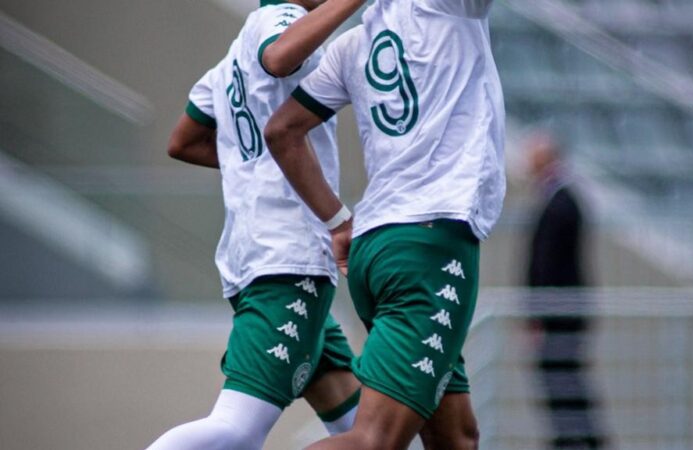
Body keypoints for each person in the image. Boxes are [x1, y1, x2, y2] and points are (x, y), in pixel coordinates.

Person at [264, 0, 506, 448]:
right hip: (430, 248)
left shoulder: (352, 44)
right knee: (372, 440)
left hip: (377, 249)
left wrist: (338, 222)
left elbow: (282, 131)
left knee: (458, 437)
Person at [146, 1, 365, 448]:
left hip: (255, 259)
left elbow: (182, 141)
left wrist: (261, 165)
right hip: (290, 261)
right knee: (237, 429)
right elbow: (280, 56)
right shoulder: (280, 20)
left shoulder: (230, 61)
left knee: (370, 436)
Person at [524, 133, 606, 449]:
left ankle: (580, 439)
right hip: (558, 311)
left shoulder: (562, 203)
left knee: (564, 379)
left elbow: (547, 266)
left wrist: (538, 314)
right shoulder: (560, 200)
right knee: (562, 380)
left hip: (559, 313)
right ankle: (573, 438)